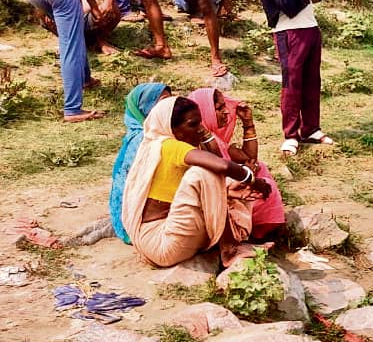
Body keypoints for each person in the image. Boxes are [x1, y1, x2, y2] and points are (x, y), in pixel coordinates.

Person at [121, 96, 270, 268]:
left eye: (200, 123)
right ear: (173, 129)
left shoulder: (167, 147)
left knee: (225, 184)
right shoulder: (168, 145)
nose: (200, 130)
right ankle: (230, 249)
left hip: (175, 234)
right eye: (192, 125)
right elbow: (221, 164)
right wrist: (252, 180)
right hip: (160, 241)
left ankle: (232, 243)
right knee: (205, 172)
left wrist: (229, 190)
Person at [251, 0, 330, 156]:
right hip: (288, 28)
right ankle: (290, 135)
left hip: (310, 25)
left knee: (311, 80)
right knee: (292, 82)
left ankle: (311, 128)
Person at [189, 88, 285, 240]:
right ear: (204, 111)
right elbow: (216, 179)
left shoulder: (216, 138)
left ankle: (258, 229)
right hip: (213, 199)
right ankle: (252, 233)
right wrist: (247, 173)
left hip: (228, 189)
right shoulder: (197, 143)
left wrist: (248, 123)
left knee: (261, 168)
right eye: (219, 108)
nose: (226, 112)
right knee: (264, 187)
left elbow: (250, 158)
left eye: (225, 106)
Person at [109, 82, 173, 244]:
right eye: (162, 103)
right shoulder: (142, 139)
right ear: (144, 108)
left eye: (169, 101)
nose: (168, 107)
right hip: (138, 214)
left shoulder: (161, 132)